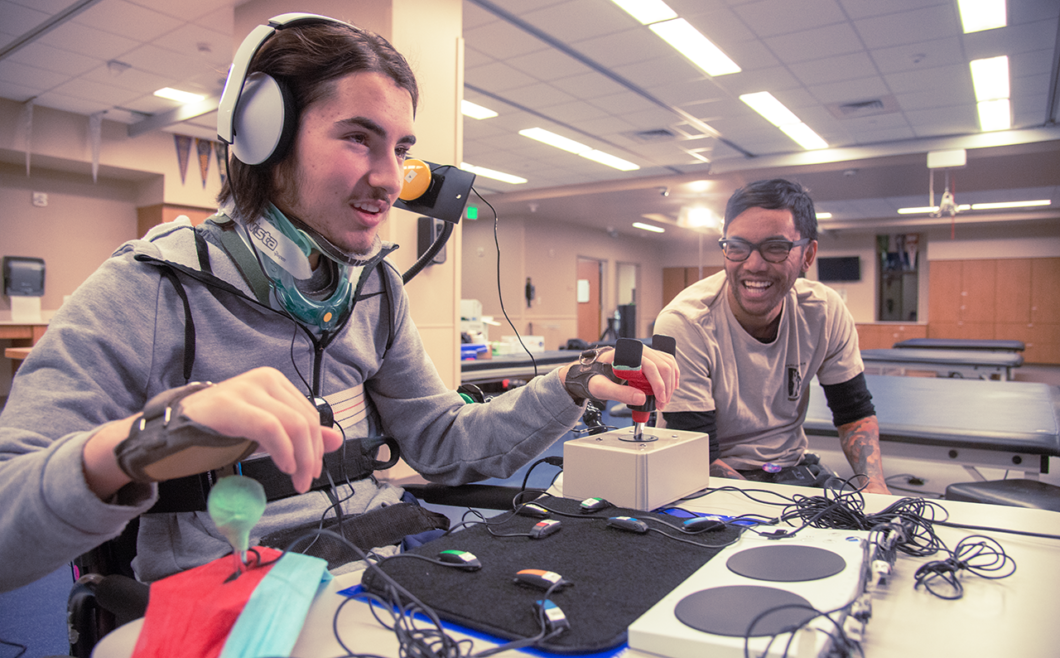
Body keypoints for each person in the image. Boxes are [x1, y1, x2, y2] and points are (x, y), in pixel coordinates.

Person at [0, 16, 677, 593]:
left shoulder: (373, 289)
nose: (389, 181)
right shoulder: (150, 289)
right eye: (359, 138)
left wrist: (569, 384)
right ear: (265, 136)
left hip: (382, 564)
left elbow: (443, 443)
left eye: (401, 149)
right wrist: (134, 445)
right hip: (236, 593)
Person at [655, 179, 888, 494]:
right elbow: (698, 451)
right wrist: (777, 507)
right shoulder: (685, 322)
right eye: (737, 247)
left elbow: (854, 412)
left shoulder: (825, 311)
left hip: (793, 467)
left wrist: (873, 487)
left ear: (808, 255)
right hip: (710, 476)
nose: (753, 264)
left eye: (775, 248)